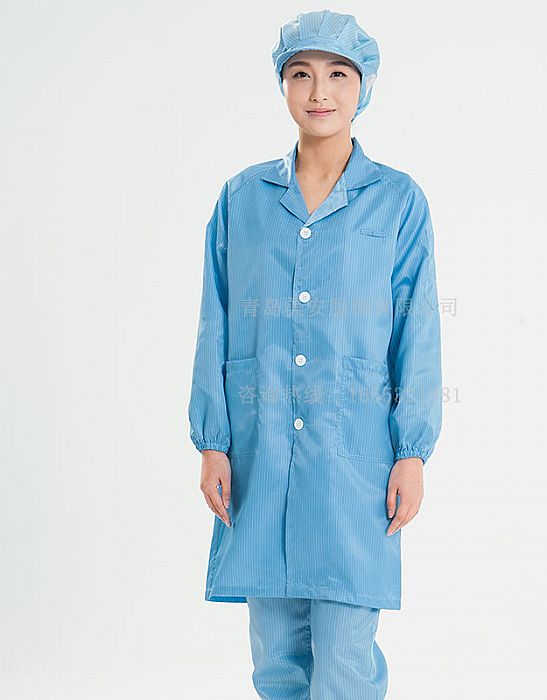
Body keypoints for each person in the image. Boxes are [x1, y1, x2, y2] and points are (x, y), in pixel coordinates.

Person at [187, 9, 442, 698]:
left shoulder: (397, 201)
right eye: (301, 74)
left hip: (354, 458)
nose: (319, 91)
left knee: (345, 655)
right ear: (282, 85)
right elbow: (216, 321)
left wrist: (412, 451)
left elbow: (417, 330)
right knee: (275, 657)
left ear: (364, 86)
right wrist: (213, 442)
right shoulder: (243, 199)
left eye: (338, 74)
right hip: (260, 451)